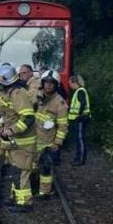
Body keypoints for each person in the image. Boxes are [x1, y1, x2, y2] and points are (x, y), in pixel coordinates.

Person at [0, 63, 38, 212]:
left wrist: (11, 130)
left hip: (24, 141)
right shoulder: (5, 92)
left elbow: (28, 118)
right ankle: (16, 197)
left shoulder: (18, 94)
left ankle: (25, 203)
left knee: (22, 171)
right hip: (14, 141)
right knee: (15, 169)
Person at [33, 70, 68, 199]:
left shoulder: (60, 103)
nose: (48, 85)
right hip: (33, 138)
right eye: (46, 82)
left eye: (51, 83)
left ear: (56, 85)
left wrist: (57, 143)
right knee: (31, 166)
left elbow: (63, 126)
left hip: (48, 142)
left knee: (45, 167)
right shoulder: (36, 97)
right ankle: (34, 187)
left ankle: (45, 192)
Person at [68, 75, 91, 166]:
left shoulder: (80, 91)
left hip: (80, 119)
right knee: (78, 139)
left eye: (70, 83)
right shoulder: (79, 91)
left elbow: (83, 103)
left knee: (80, 139)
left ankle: (81, 160)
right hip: (78, 119)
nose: (70, 85)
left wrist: (79, 115)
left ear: (75, 82)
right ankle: (78, 158)